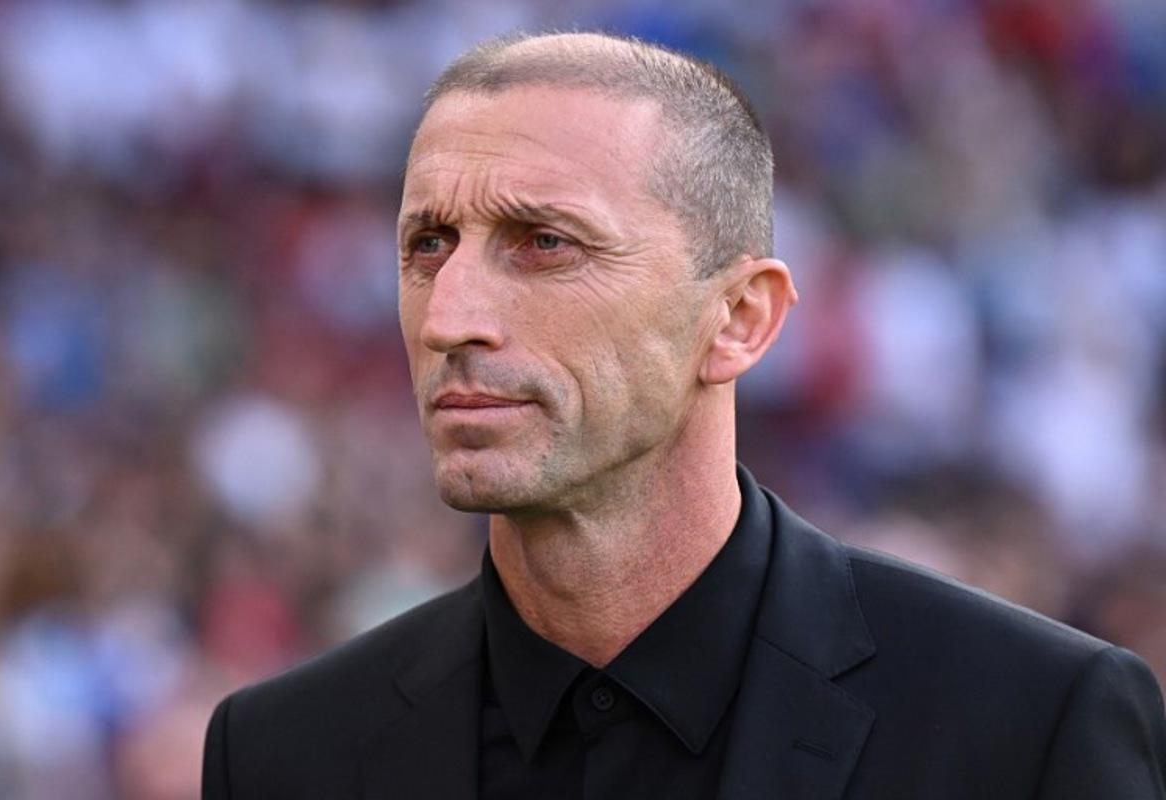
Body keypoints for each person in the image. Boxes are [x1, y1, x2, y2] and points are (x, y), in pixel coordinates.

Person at [202, 32, 1166, 799]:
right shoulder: (284, 752)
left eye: (544, 241)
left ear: (740, 319)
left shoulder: (1026, 724)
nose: (450, 315)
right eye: (427, 244)